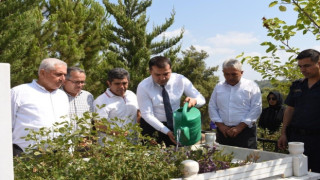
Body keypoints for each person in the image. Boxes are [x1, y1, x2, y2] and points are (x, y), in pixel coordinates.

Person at [137, 56, 205, 147]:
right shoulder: (143, 86)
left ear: (171, 70)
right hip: (152, 126)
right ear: (150, 72)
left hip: (177, 124)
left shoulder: (180, 80)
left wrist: (195, 101)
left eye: (166, 74)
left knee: (179, 156)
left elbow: (201, 99)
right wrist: (167, 131)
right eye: (157, 75)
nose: (162, 78)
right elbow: (147, 114)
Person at [11, 58, 70, 156]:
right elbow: (6, 125)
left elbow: (66, 123)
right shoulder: (18, 92)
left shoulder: (62, 96)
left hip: (57, 156)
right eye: (58, 74)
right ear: (43, 73)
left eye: (65, 75)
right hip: (25, 155)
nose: (63, 79)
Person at [278, 49, 320, 173]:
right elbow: (290, 109)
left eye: (307, 66)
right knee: (296, 173)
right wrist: (283, 133)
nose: (303, 70)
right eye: (300, 66)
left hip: (318, 139)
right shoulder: (298, 85)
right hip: (297, 139)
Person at [208, 59, 262, 149]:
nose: (230, 77)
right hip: (223, 132)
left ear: (241, 72)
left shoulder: (251, 86)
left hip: (245, 132)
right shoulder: (219, 87)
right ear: (223, 72)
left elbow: (256, 108)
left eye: (234, 74)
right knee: (222, 160)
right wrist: (221, 126)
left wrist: (240, 127)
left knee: (246, 160)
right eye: (226, 74)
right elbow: (212, 106)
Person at [94, 68, 140, 145]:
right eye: (117, 84)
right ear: (109, 83)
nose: (121, 86)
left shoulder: (131, 95)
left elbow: (138, 113)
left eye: (124, 83)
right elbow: (98, 124)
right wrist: (117, 132)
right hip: (110, 146)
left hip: (133, 143)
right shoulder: (101, 101)